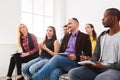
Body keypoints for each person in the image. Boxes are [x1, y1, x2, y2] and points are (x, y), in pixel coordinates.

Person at [68, 8, 120, 80]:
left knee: (100, 78)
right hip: (99, 67)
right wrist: (89, 60)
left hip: (115, 70)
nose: (102, 19)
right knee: (73, 73)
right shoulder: (102, 35)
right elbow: (96, 55)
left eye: (105, 17)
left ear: (114, 18)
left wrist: (104, 66)